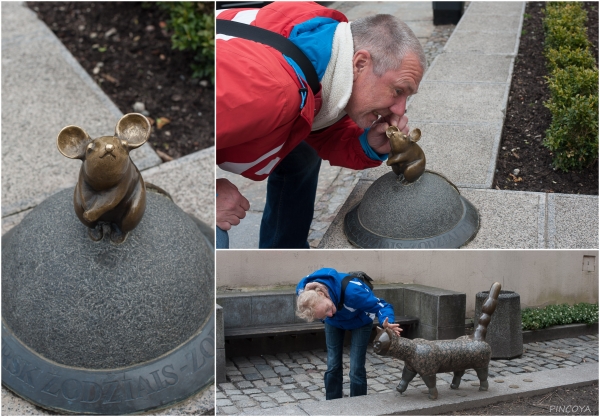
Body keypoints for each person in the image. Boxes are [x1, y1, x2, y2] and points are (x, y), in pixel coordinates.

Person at [216, 2, 427, 248]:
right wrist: (211, 195)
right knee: (213, 237)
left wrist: (367, 144)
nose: (400, 109)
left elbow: (319, 121)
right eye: (398, 90)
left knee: (303, 151)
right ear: (360, 64)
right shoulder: (272, 93)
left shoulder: (326, 43)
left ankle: (285, 250)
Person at [295, 268, 402, 399]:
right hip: (334, 323)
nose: (330, 313)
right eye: (323, 315)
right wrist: (327, 316)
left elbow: (382, 306)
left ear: (322, 294)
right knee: (333, 364)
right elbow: (326, 310)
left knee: (356, 367)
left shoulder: (354, 293)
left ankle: (357, 405)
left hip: (360, 321)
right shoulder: (305, 293)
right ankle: (333, 403)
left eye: (328, 308)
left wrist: (387, 322)